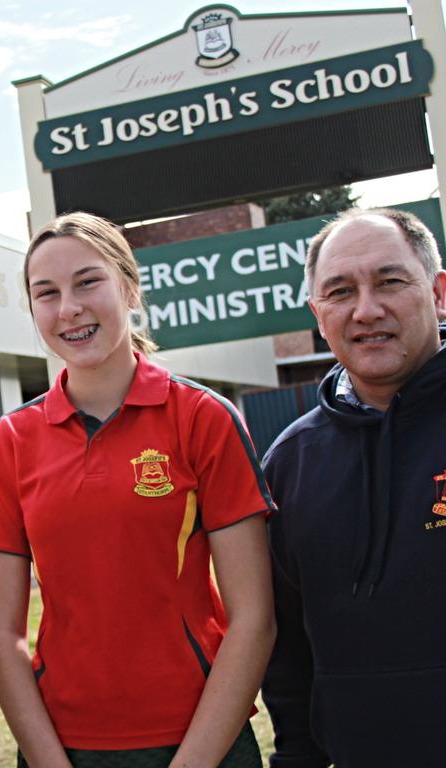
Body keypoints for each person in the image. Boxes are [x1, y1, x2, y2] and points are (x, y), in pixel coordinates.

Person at [0, 212, 276, 768]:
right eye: (46, 293)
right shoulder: (10, 441)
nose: (69, 309)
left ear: (129, 288)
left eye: (88, 281)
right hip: (63, 746)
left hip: (199, 742)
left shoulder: (203, 418)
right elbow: (2, 633)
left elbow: (253, 617)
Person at [262, 207, 446, 768]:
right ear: (319, 316)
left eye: (390, 281)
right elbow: (285, 645)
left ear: (439, 294)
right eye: (340, 292)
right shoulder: (287, 465)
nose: (367, 310)